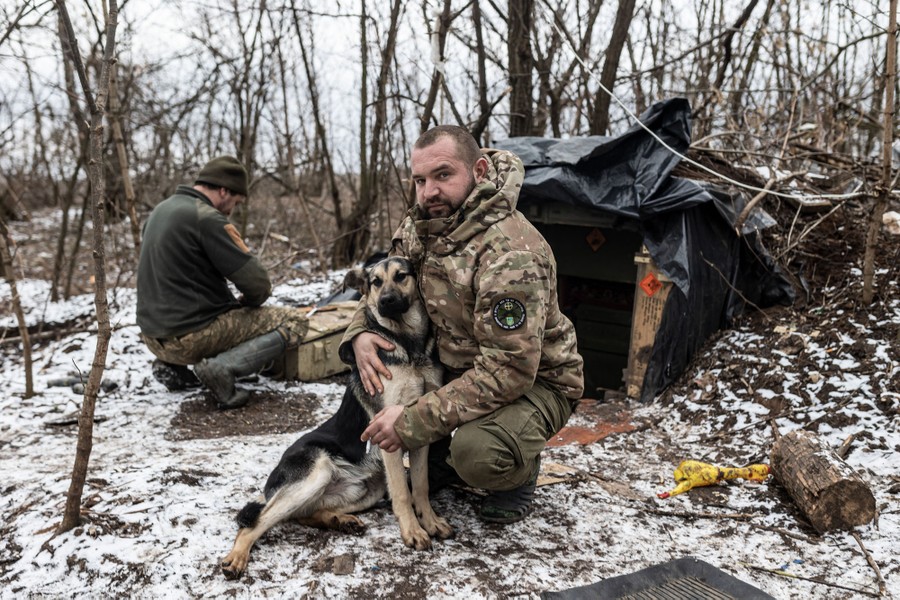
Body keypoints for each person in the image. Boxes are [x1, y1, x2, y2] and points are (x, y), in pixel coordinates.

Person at [340, 126, 584, 524]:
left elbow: (510, 369)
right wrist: (359, 334)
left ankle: (515, 472)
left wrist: (415, 421)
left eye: (443, 175)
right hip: (459, 371)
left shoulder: (511, 251)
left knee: (477, 453)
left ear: (480, 170)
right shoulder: (424, 224)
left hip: (535, 380)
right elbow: (384, 286)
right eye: (420, 180)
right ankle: (443, 458)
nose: (428, 192)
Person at [136, 156, 307, 408]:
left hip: (153, 337)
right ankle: (221, 368)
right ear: (224, 191)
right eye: (235, 202)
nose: (231, 211)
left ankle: (175, 368)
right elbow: (258, 283)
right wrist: (249, 304)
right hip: (190, 337)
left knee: (207, 312)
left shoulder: (160, 211)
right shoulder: (207, 218)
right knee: (296, 321)